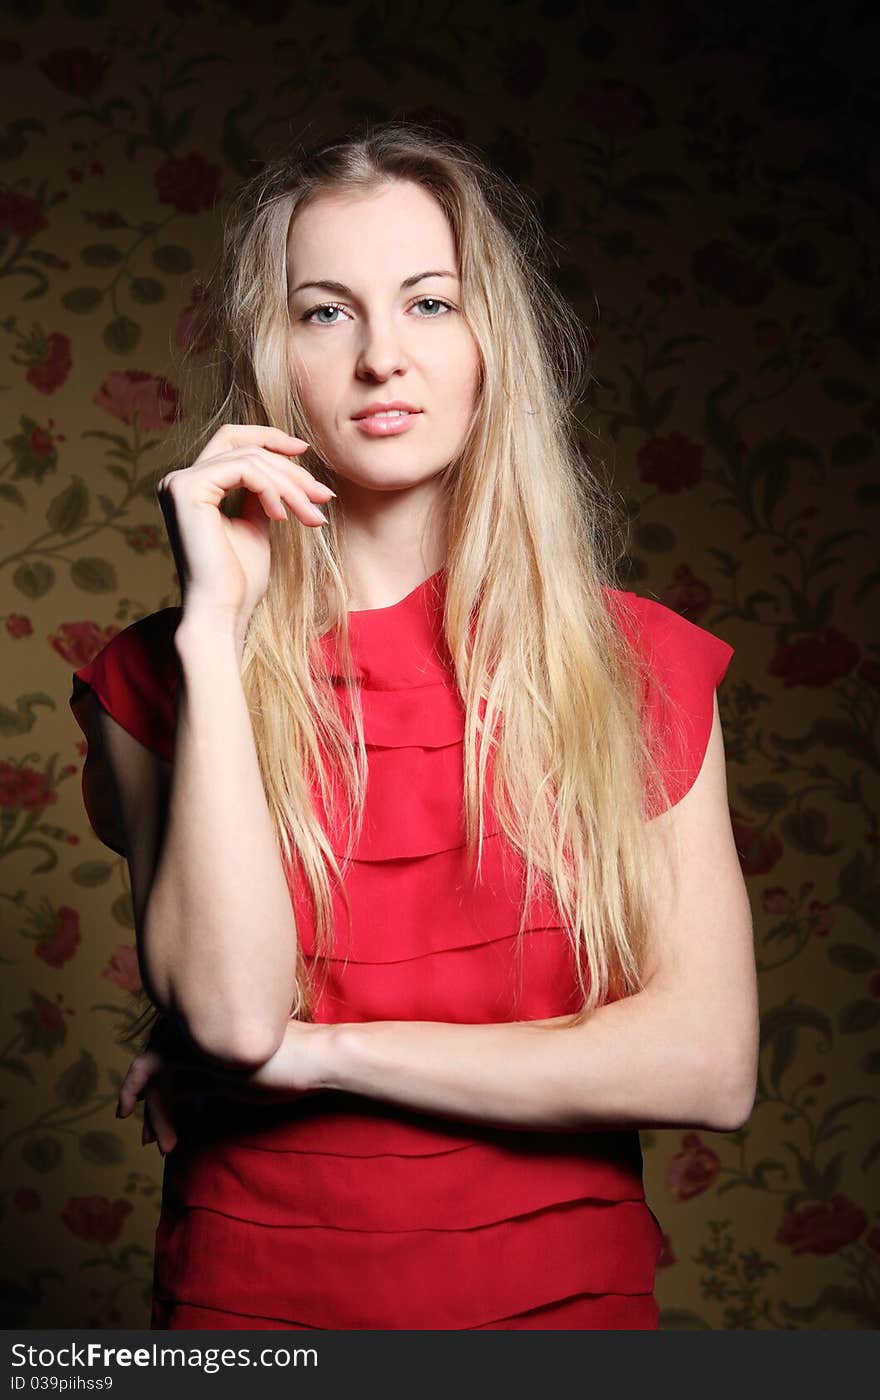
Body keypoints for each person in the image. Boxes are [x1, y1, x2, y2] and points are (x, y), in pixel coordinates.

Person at [69, 121, 759, 1331]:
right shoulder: (162, 679)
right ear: (269, 356)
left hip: (564, 1308)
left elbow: (704, 1063)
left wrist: (322, 1055)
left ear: (494, 343)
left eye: (430, 303)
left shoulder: (632, 660)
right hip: (253, 1313)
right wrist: (214, 632)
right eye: (325, 312)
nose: (383, 356)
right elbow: (232, 1018)